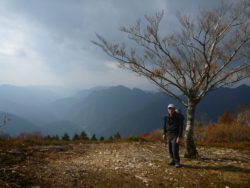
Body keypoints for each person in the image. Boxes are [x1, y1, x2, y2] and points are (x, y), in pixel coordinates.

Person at [163, 104, 184, 168]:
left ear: (174, 109)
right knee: (169, 149)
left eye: (172, 108)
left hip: (175, 135)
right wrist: (164, 133)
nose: (170, 110)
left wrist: (179, 137)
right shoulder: (166, 117)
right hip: (169, 134)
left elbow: (180, 127)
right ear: (167, 110)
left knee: (175, 149)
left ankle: (177, 162)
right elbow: (165, 126)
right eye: (169, 108)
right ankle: (172, 160)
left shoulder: (178, 117)